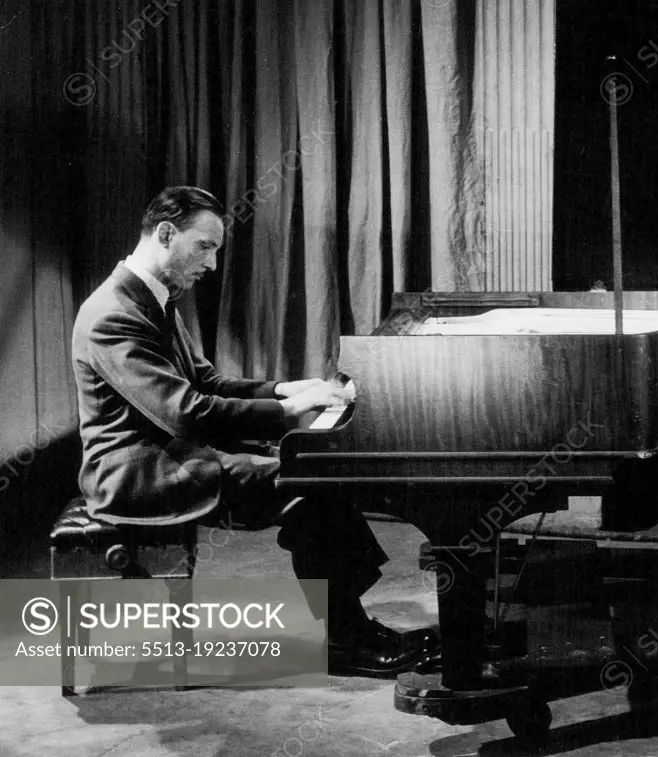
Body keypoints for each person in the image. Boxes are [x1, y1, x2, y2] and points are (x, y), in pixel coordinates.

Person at [71, 185, 438, 677]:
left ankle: (351, 630)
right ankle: (347, 640)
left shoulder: (152, 298)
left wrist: (288, 388)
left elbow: (206, 380)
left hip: (165, 455)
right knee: (305, 487)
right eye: (204, 246)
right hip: (133, 473)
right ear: (164, 233)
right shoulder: (114, 314)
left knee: (314, 480)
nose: (212, 263)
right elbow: (188, 412)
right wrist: (291, 412)